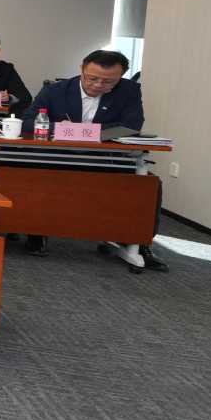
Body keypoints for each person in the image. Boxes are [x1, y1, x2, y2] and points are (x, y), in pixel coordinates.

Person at [23, 50, 162, 269]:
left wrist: (87, 131)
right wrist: (57, 127)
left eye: (108, 82)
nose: (98, 85)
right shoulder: (56, 90)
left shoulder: (129, 91)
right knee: (27, 175)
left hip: (105, 158)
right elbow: (28, 121)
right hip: (58, 156)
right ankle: (36, 231)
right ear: (82, 69)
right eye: (92, 78)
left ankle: (137, 241)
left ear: (120, 77)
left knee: (147, 185)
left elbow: (132, 125)